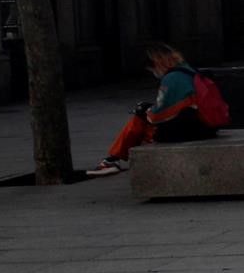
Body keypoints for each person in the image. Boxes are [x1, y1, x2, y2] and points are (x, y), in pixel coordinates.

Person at [88, 43, 219, 176]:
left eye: (151, 70)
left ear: (157, 63)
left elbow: (159, 115)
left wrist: (146, 112)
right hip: (203, 125)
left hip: (191, 129)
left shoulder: (171, 79)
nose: (153, 73)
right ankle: (114, 159)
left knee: (139, 120)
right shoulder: (188, 70)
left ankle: (112, 160)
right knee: (142, 121)